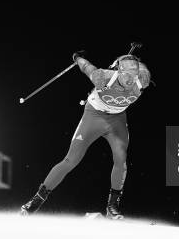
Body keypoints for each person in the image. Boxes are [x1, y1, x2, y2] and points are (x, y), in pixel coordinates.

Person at [20, 50, 151, 219]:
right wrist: (77, 58)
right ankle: (35, 201)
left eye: (133, 76)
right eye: (126, 75)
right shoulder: (102, 76)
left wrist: (135, 67)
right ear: (118, 71)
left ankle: (112, 207)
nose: (129, 81)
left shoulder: (143, 80)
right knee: (71, 160)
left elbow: (141, 71)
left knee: (121, 159)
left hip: (117, 120)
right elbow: (86, 67)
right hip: (94, 116)